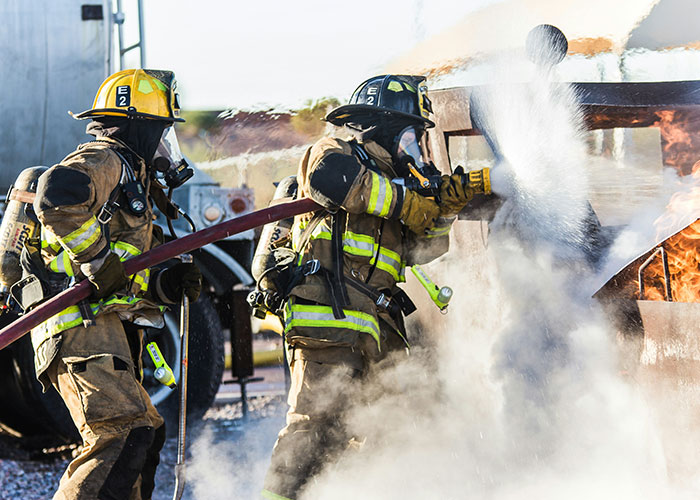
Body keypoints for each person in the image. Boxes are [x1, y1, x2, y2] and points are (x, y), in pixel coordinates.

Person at [261, 74, 475, 500]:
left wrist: (445, 208)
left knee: (381, 430)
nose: (416, 150)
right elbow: (332, 179)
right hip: (328, 319)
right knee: (311, 428)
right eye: (413, 136)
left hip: (376, 326)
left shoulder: (393, 182)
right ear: (386, 126)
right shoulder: (336, 153)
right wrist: (413, 200)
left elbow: (420, 249)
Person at [28, 69, 201, 500]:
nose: (166, 149)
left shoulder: (132, 183)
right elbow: (57, 194)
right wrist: (98, 260)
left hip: (103, 324)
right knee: (121, 433)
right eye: (162, 135)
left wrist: (167, 283)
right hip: (75, 321)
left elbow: (130, 274)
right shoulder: (105, 158)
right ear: (137, 127)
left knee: (143, 434)